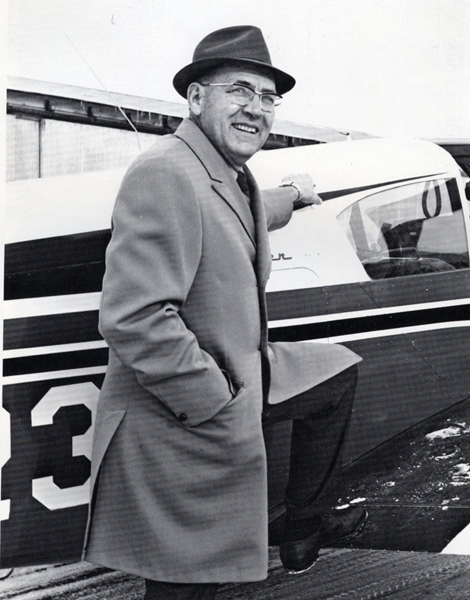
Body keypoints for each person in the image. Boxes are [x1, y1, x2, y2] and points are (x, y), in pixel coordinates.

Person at [82, 25, 367, 599]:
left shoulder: (223, 169)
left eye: (269, 98)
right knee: (189, 582)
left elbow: (240, 213)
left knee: (337, 373)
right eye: (240, 90)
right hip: (184, 411)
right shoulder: (165, 171)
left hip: (239, 368)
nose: (257, 110)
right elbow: (134, 317)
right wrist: (218, 404)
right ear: (195, 98)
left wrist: (294, 194)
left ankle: (300, 525)